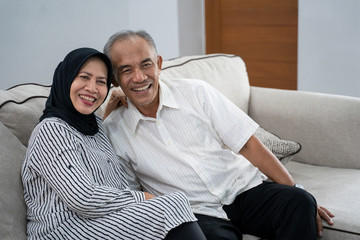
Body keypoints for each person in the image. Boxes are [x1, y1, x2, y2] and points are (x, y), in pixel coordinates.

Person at [102, 30, 335, 240]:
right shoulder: (113, 129)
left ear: (159, 64)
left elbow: (249, 146)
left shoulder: (196, 92)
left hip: (243, 191)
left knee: (299, 201)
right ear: (115, 79)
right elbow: (133, 194)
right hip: (195, 212)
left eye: (146, 65)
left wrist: (296, 189)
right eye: (126, 70)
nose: (140, 77)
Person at [21, 47, 207, 240]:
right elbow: (83, 198)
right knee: (172, 205)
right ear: (66, 78)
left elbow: (115, 182)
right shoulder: (51, 131)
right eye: (84, 77)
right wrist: (143, 198)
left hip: (99, 221)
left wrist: (109, 109)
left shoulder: (96, 126)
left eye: (101, 82)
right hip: (63, 230)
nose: (92, 88)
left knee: (176, 203)